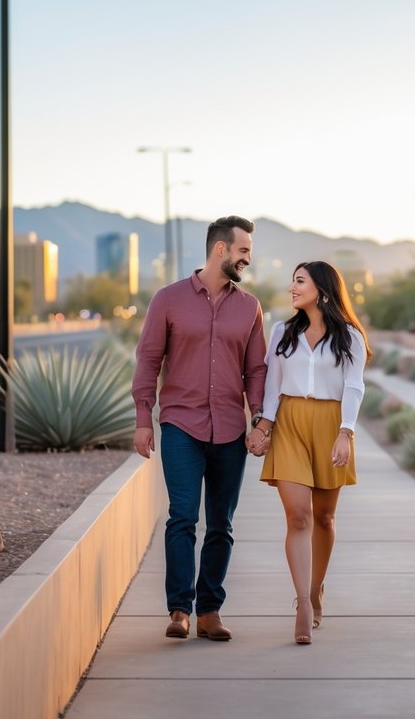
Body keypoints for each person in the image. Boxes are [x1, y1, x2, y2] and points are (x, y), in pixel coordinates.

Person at [132, 215, 268, 642]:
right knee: (182, 517)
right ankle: (179, 609)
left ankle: (210, 610)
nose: (248, 258)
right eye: (243, 250)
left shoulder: (249, 307)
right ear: (220, 249)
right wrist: (142, 418)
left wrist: (260, 420)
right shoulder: (168, 300)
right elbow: (148, 360)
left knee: (222, 524)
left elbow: (257, 370)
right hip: (180, 426)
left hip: (230, 428)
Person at [249, 261, 371, 644]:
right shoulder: (282, 331)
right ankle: (303, 603)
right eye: (293, 281)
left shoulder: (349, 336)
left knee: (324, 518)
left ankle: (318, 587)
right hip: (290, 423)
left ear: (321, 289)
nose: (292, 288)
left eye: (299, 281)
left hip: (331, 422)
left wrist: (345, 433)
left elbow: (354, 386)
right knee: (298, 516)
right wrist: (264, 424)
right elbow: (272, 382)